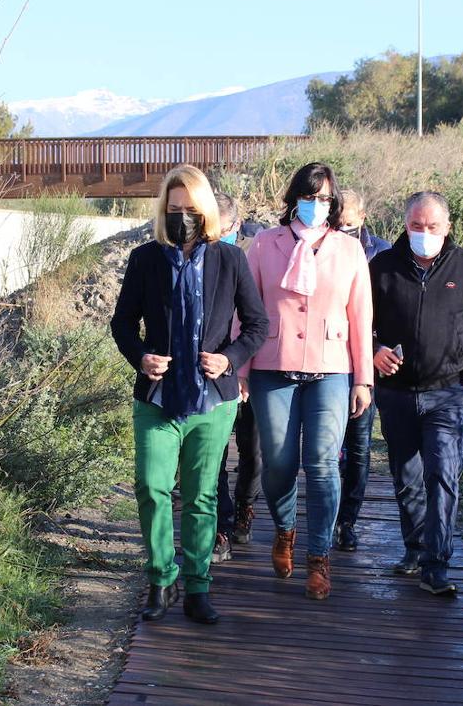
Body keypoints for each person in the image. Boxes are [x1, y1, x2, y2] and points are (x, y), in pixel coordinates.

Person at [110, 165, 268, 624]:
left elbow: (257, 325)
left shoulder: (231, 259)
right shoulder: (145, 259)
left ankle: (198, 585)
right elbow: (122, 324)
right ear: (163, 210)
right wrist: (141, 357)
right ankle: (161, 579)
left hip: (212, 400)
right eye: (173, 208)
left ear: (206, 212)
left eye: (190, 209)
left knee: (201, 496)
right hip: (157, 397)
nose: (181, 217)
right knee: (151, 486)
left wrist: (229, 359)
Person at [241, 162, 373, 600]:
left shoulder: (349, 250)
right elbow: (247, 309)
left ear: (333, 204)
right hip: (272, 366)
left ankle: (319, 556)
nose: (317, 205)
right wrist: (240, 370)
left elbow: (361, 316)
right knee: (278, 462)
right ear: (294, 198)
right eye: (309, 196)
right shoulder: (265, 243)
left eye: (324, 198)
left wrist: (363, 379)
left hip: (331, 368)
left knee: (322, 463)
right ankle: (285, 530)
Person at [369, 191, 463, 596]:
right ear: (405, 225)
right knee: (407, 477)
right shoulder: (383, 267)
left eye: (432, 226)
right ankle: (415, 548)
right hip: (396, 394)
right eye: (416, 226)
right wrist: (374, 351)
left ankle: (436, 564)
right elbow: (357, 323)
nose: (423, 233)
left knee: (442, 475)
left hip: (449, 393)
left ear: (448, 227)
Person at [333, 190, 391, 552]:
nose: (343, 228)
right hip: (329, 359)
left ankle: (348, 521)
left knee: (359, 445)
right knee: (325, 446)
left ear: (363, 217)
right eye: (338, 222)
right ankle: (325, 514)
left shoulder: (382, 255)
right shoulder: (321, 246)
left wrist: (377, 348)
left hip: (366, 361)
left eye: (349, 223)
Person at [211, 191, 264, 563]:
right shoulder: (197, 255)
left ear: (236, 225)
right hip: (213, 372)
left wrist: (243, 367)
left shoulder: (254, 254)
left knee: (252, 448)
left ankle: (246, 506)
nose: (215, 236)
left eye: (222, 229)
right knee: (214, 453)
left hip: (250, 365)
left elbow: (260, 320)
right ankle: (221, 525)